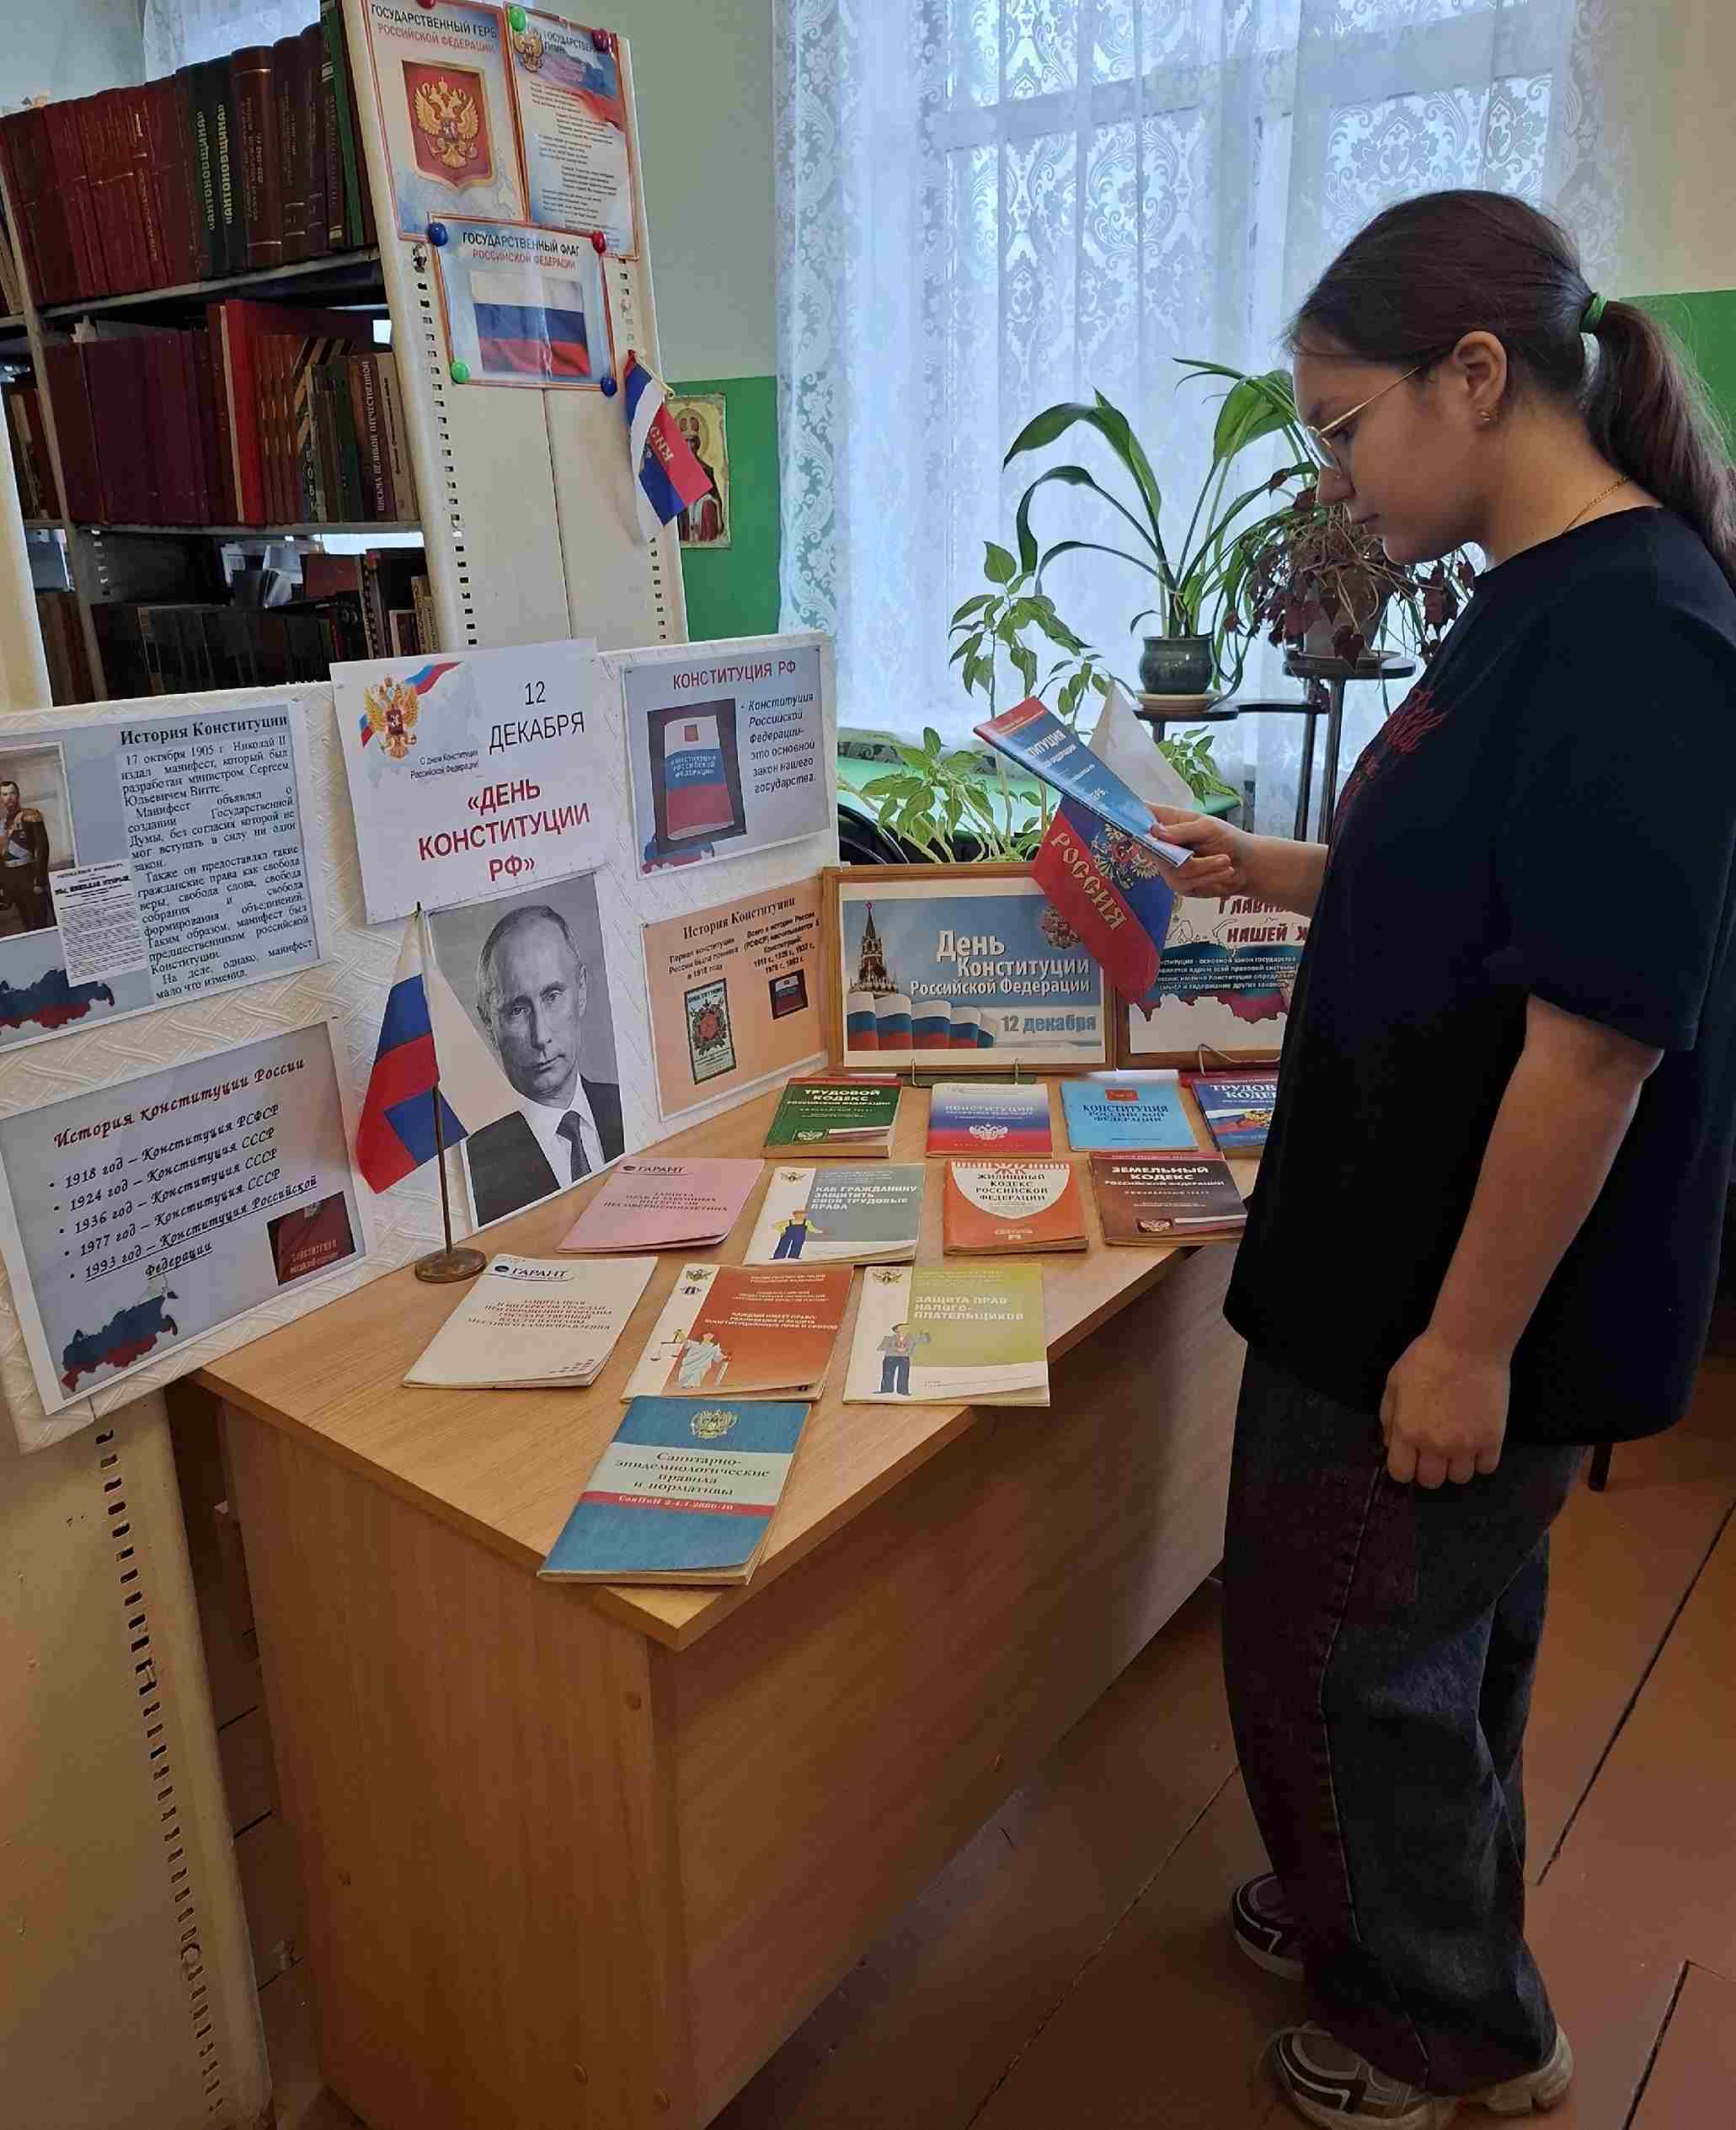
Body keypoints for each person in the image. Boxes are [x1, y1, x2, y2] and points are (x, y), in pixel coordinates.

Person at [1151, 190, 1736, 2129]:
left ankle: (1441, 2021)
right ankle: (1380, 1898)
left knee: (1337, 1643)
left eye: (1340, 428)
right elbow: (1477, 876)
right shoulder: (1532, 593)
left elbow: (1594, 1042)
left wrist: (1467, 1344)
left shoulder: (1639, 632)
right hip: (1391, 1242)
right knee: (1417, 1626)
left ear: (1473, 375)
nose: (1328, 479)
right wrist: (1276, 868)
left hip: (1460, 1284)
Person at [463, 904, 624, 1225]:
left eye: (552, 996)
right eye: (517, 1010)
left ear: (581, 990)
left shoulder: (628, 1104)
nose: (541, 1036)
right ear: (489, 1023)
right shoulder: (474, 1167)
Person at [0, 777, 52, 934]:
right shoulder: (1, 823)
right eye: (5, 794)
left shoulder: (31, 815)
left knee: (40, 922)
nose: (9, 798)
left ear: (18, 795)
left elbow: (42, 848)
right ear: (1, 798)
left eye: (12, 793)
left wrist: (39, 879)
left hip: (29, 874)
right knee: (26, 923)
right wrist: (2, 885)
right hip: (11, 878)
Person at [876, 1321, 929, 1396]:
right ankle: (886, 1390)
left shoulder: (912, 1338)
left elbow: (925, 1340)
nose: (905, 1330)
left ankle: (903, 1391)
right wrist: (895, 1349)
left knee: (904, 1375)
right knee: (887, 1374)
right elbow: (881, 1348)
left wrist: (925, 1333)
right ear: (897, 1330)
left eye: (907, 1328)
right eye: (902, 1328)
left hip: (904, 1358)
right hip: (890, 1358)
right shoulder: (889, 1338)